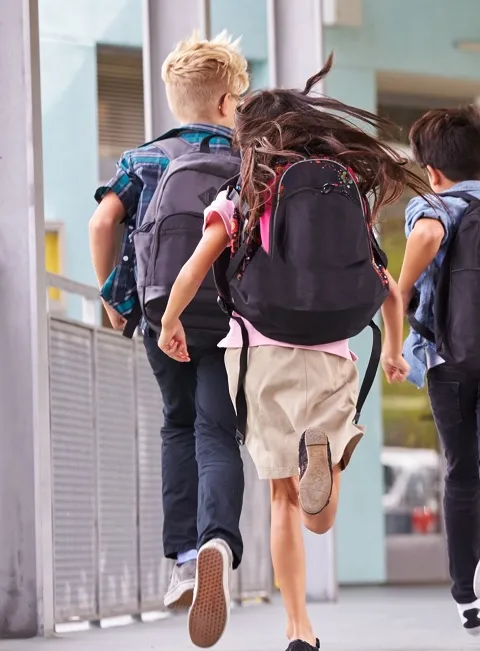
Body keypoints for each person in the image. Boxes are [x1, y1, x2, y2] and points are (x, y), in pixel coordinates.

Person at [156, 57, 424, 651]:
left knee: (280, 496)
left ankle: (298, 626)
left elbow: (195, 266)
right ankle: (319, 462)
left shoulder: (245, 190)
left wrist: (171, 320)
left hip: (259, 352)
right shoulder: (346, 189)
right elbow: (387, 286)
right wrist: (398, 351)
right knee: (317, 513)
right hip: (334, 354)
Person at [86, 31, 250, 646]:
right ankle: (217, 540)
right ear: (229, 101)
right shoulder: (251, 160)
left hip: (164, 318)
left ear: (177, 99)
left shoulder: (142, 159)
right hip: (233, 319)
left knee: (177, 425)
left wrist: (113, 295)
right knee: (218, 430)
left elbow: (104, 219)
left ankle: (184, 557)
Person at [381, 106, 480, 636]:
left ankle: (469, 599)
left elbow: (426, 238)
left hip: (449, 359)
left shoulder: (432, 205)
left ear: (431, 171)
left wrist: (400, 296)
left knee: (460, 470)